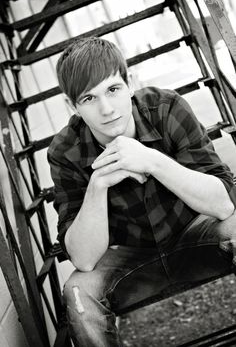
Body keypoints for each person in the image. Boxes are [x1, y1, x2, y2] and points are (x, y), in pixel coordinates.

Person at [48, 36, 236, 347]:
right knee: (79, 295)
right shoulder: (65, 151)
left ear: (130, 81)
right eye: (89, 98)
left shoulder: (166, 109)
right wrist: (98, 184)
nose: (107, 109)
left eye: (112, 89)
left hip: (195, 235)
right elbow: (83, 259)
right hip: (127, 260)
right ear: (73, 106)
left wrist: (152, 159)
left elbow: (223, 205)